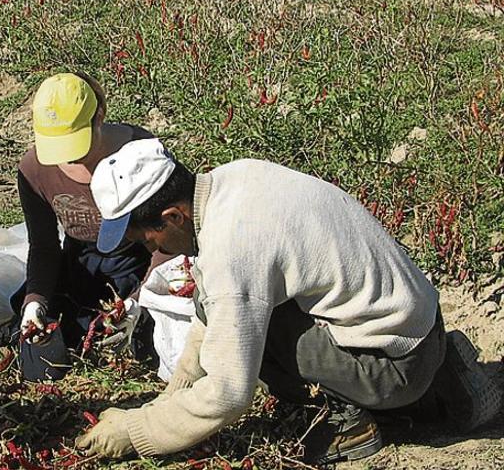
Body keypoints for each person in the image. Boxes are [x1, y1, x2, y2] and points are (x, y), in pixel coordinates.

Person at [75, 138, 502, 464]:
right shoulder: (234, 180)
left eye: (148, 238)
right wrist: (171, 396)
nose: (156, 250)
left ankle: (358, 423)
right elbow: (213, 307)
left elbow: (228, 393)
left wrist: (137, 432)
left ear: (173, 217)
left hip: (394, 364)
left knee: (252, 343)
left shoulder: (233, 246)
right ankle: (442, 376)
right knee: (235, 313)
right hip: (416, 326)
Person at [13, 72, 168, 381]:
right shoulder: (34, 170)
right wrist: (35, 301)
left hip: (137, 259)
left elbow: (168, 240)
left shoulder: (141, 153)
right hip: (81, 261)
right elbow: (44, 246)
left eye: (75, 142)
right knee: (35, 316)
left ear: (100, 116)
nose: (69, 157)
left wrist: (143, 297)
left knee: (149, 337)